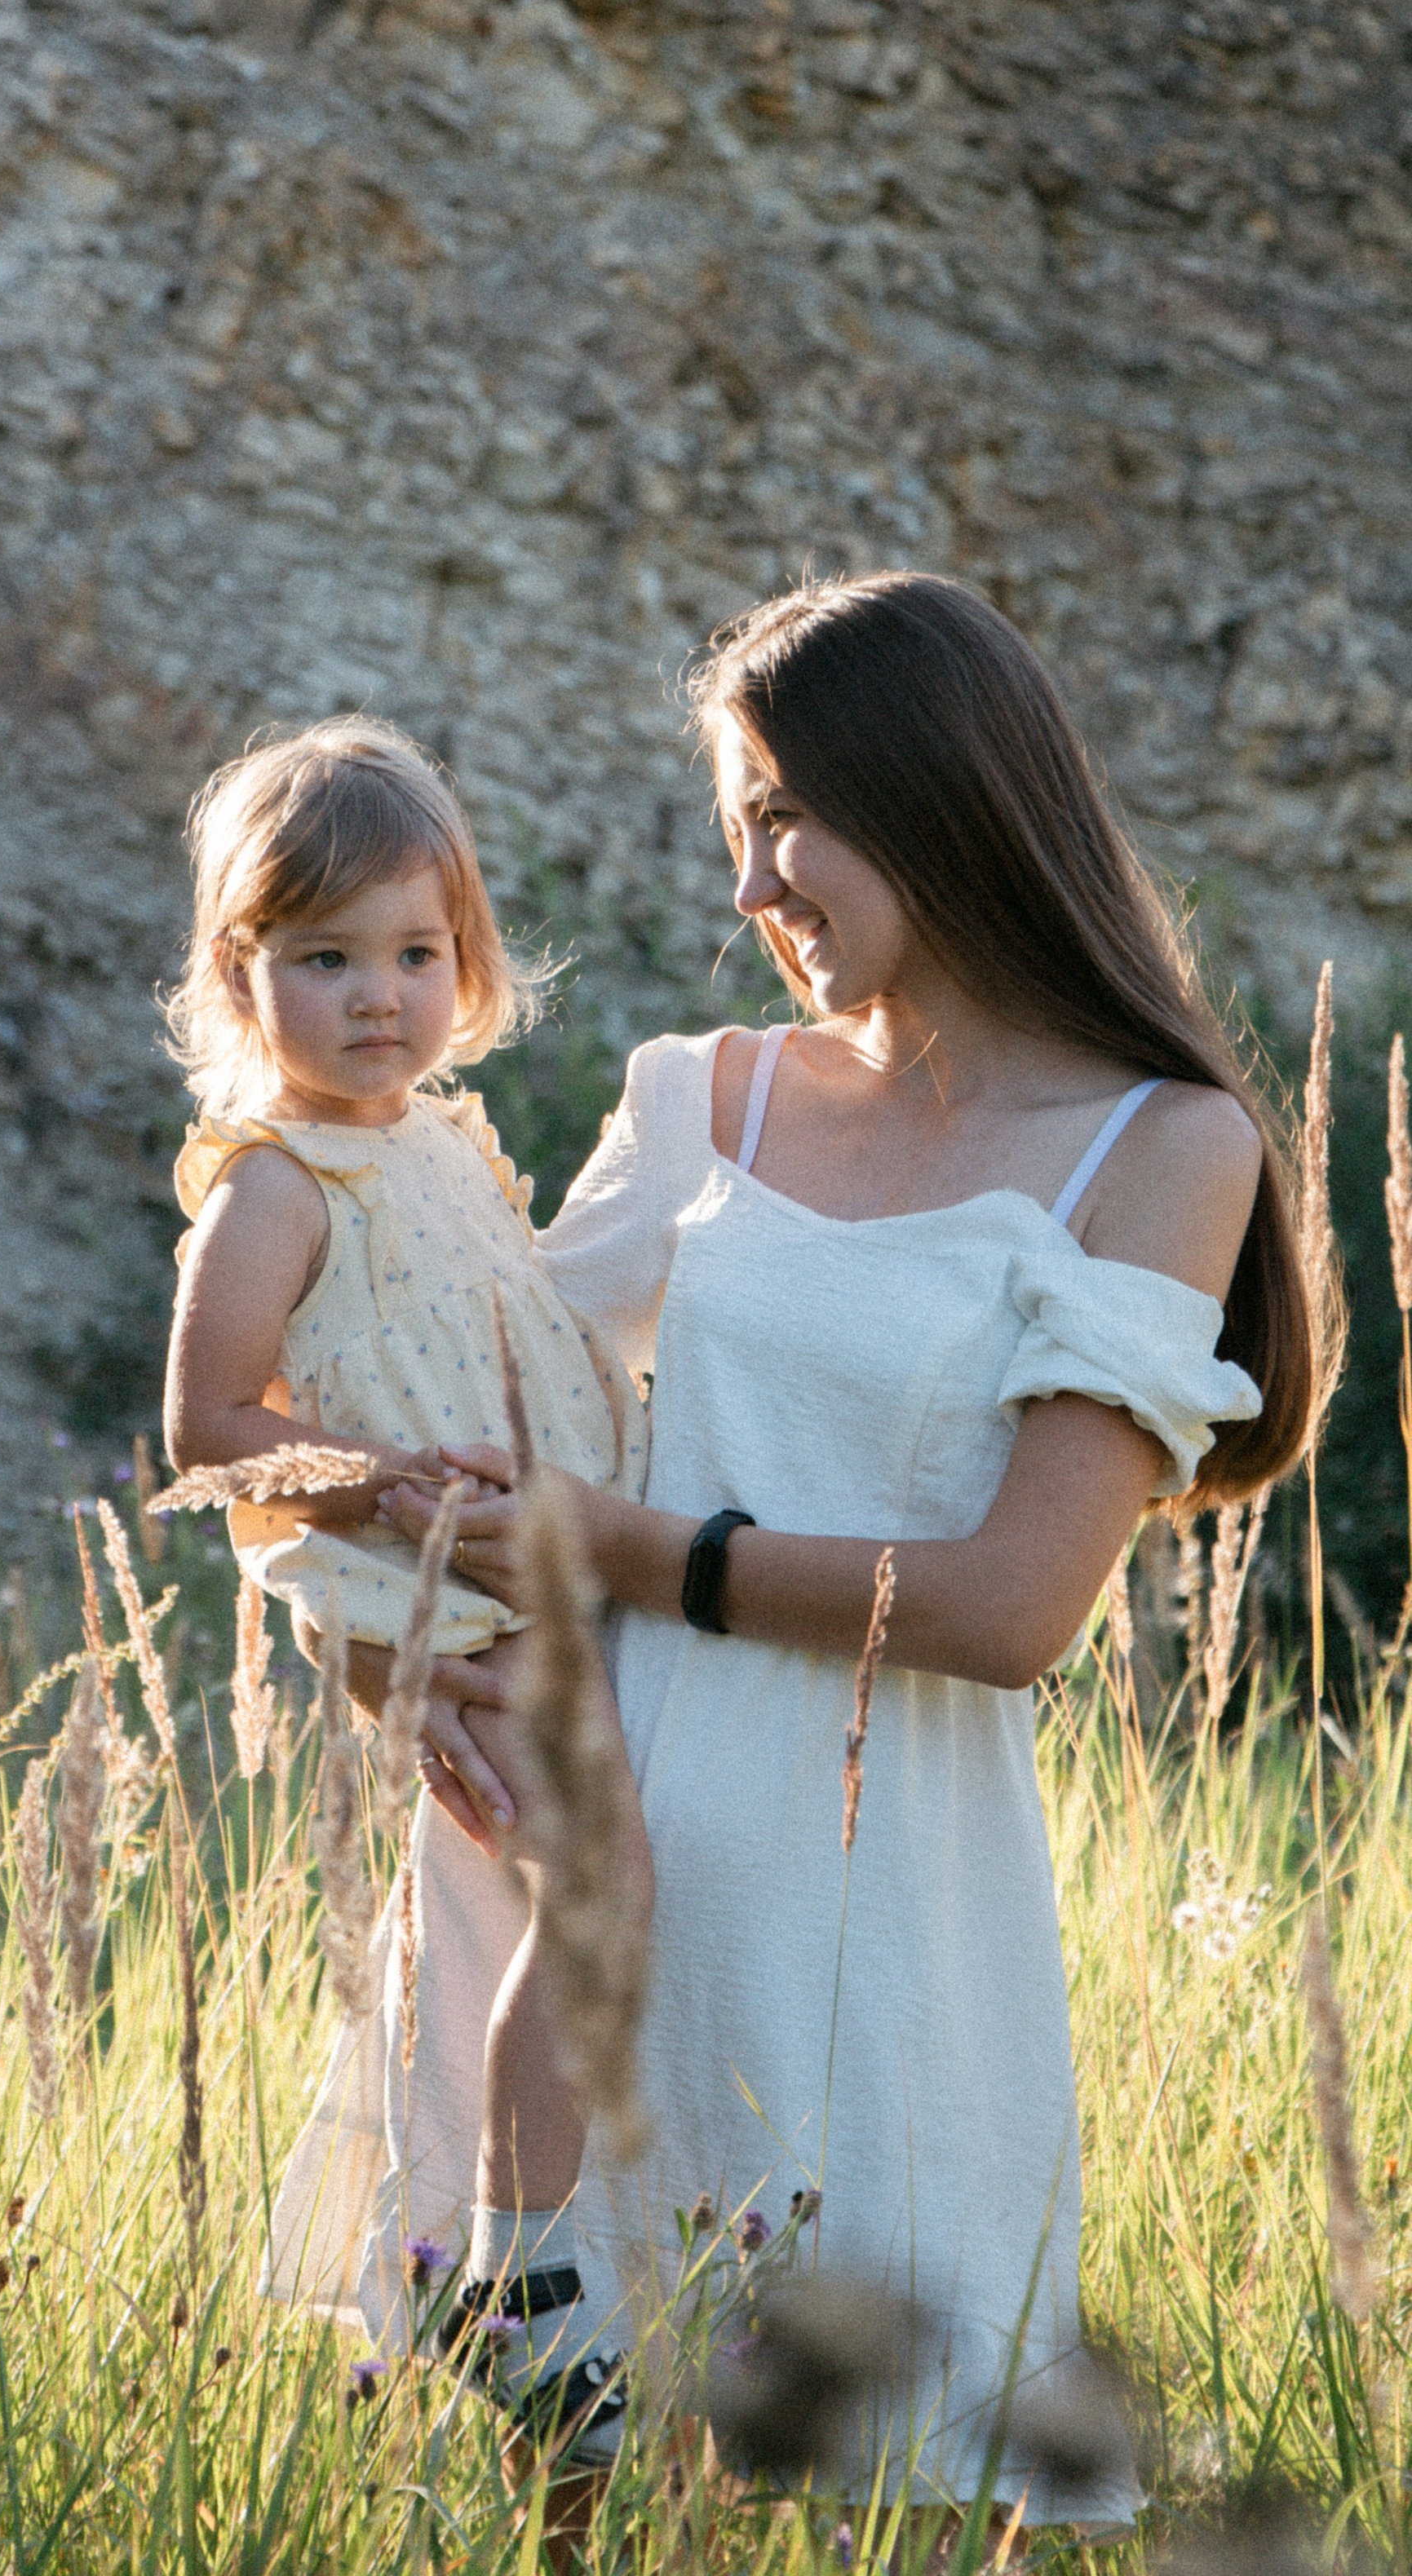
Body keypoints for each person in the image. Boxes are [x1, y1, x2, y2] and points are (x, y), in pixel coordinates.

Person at [380, 572, 1316, 2530]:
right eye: (734, 830)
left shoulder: (1158, 1147)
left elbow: (1003, 1607)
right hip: (604, 1887)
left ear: (931, 789)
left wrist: (615, 1546)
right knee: (581, 2500)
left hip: (883, 1924)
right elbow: (458, 1428)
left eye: (781, 819)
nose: (748, 886)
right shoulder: (696, 1099)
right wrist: (404, 1644)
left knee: (887, 2495)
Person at [161, 715, 653, 2465]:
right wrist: (384, 1485)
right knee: (597, 1888)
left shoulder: (447, 1145)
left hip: (551, 1592)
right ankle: (504, 2272)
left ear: (468, 964)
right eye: (324, 959)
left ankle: (531, 2254)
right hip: (451, 1607)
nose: (378, 996)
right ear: (242, 973)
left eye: (415, 955)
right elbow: (209, 1427)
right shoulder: (277, 1188)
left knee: (567, 1909)